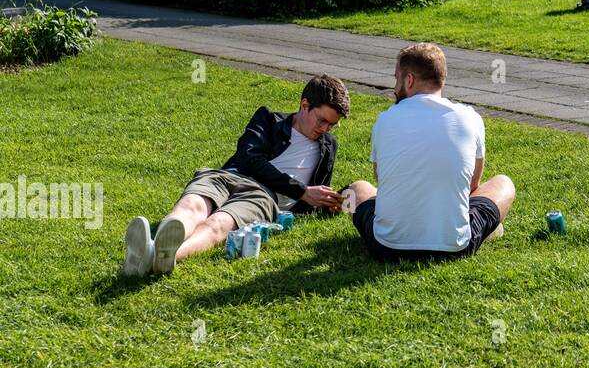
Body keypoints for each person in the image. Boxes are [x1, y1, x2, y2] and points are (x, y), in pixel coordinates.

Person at [121, 75, 350, 277]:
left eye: (332, 125)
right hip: (228, 176)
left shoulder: (328, 146)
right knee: (192, 205)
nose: (325, 129)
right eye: (322, 120)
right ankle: (154, 247)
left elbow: (316, 192)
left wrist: (328, 202)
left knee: (218, 223)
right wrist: (299, 190)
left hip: (262, 196)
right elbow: (249, 158)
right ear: (305, 105)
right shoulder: (269, 120)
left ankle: (159, 257)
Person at [347, 43, 514, 263]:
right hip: (454, 247)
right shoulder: (470, 118)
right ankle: (482, 227)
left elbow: (380, 180)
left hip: (386, 247)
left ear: (409, 80)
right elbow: (473, 186)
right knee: (504, 183)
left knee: (356, 188)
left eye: (396, 79)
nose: (395, 87)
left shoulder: (385, 120)